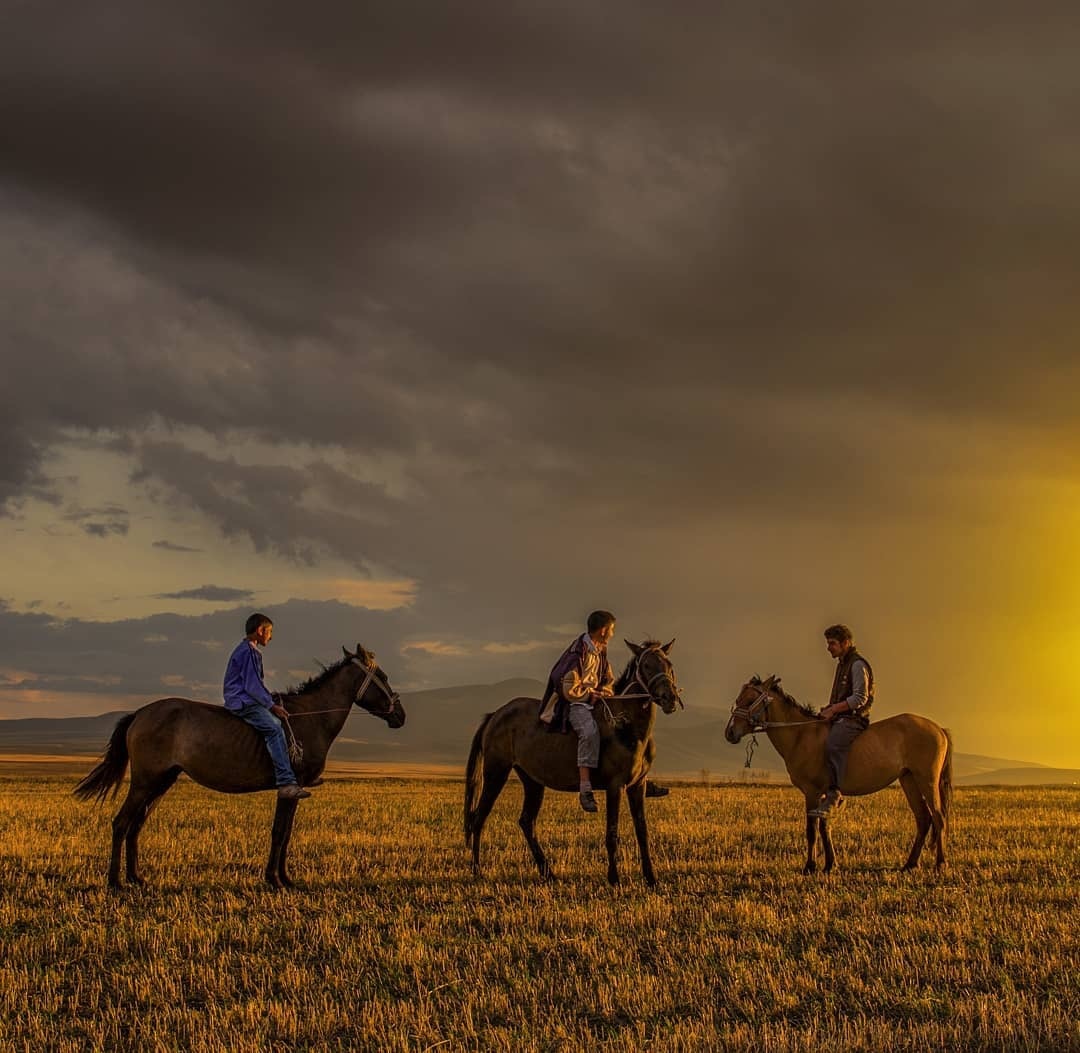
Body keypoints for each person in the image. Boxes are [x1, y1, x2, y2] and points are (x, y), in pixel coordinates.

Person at [223, 613, 310, 800]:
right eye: (269, 632)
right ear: (260, 631)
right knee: (274, 728)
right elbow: (252, 686)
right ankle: (286, 782)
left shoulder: (245, 649)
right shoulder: (250, 652)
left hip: (243, 698)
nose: (271, 636)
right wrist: (271, 706)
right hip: (243, 702)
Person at [539, 610, 616, 812]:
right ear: (603, 630)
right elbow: (568, 690)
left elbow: (608, 678)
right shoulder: (577, 654)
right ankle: (585, 788)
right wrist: (590, 695)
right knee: (589, 733)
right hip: (576, 703)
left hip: (596, 700)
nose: (613, 634)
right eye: (612, 630)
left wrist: (605, 691)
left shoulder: (601, 650)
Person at [809, 623, 874, 818]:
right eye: (828, 643)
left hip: (854, 719)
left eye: (832, 643)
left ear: (846, 643)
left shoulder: (857, 665)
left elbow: (859, 698)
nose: (828, 647)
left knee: (833, 744)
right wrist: (828, 709)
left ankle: (835, 793)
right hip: (840, 716)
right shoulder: (842, 664)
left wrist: (834, 709)